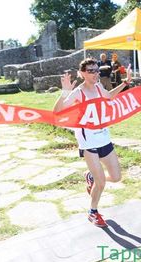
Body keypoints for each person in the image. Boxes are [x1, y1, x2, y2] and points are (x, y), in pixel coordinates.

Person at [53, 58, 132, 227]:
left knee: (116, 177)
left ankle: (90, 177)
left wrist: (125, 83)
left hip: (104, 137)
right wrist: (65, 92)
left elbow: (109, 97)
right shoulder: (79, 92)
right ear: (82, 73)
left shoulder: (98, 87)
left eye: (97, 70)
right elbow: (57, 112)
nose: (96, 74)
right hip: (88, 142)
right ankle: (93, 211)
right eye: (91, 71)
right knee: (101, 182)